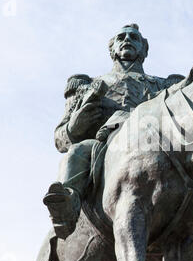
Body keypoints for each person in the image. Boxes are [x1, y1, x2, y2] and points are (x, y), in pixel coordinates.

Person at [43, 24, 185, 239]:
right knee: (78, 151)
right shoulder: (87, 86)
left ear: (144, 50)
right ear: (112, 50)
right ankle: (68, 204)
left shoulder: (165, 87)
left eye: (134, 38)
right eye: (121, 37)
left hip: (154, 148)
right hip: (105, 145)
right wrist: (74, 126)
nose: (127, 39)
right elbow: (60, 140)